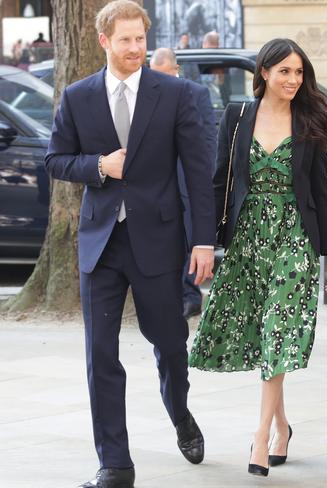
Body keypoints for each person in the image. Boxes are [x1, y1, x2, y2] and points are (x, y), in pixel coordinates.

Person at [44, 2, 216, 487]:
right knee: (100, 353)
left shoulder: (178, 94)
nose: (136, 48)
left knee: (170, 343)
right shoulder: (77, 97)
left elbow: (199, 174)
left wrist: (203, 241)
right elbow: (56, 160)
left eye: (140, 39)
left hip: (160, 241)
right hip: (100, 243)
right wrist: (99, 166)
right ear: (104, 41)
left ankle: (179, 414)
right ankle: (115, 464)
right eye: (125, 40)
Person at [188, 38, 327, 478]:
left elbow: (321, 189)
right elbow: (220, 181)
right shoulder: (237, 116)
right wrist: (207, 241)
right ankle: (281, 426)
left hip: (295, 234)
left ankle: (260, 437)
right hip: (248, 236)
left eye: (299, 73)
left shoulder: (312, 117)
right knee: (261, 333)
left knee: (280, 330)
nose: (293, 80)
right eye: (284, 72)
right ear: (264, 73)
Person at [150, 47, 218, 319]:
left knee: (191, 238)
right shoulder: (147, 93)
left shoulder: (196, 93)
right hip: (157, 180)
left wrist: (204, 173)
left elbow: (209, 138)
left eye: (164, 75)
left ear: (175, 70)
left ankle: (190, 295)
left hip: (188, 178)